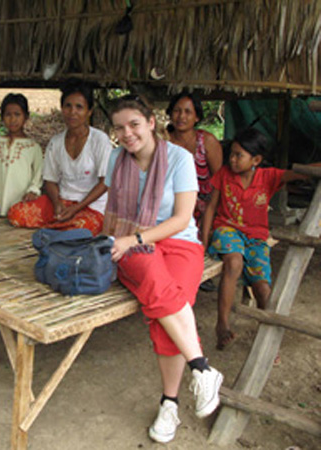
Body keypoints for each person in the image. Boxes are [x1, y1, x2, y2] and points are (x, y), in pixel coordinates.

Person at [104, 95, 223, 443]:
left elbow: (182, 218)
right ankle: (200, 368)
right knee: (162, 289)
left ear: (151, 122)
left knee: (164, 309)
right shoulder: (116, 159)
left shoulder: (179, 159)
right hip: (132, 247)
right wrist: (126, 240)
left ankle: (169, 403)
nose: (127, 134)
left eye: (134, 124)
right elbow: (114, 211)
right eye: (120, 128)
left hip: (179, 243)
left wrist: (135, 237)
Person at [201, 128, 309, 350]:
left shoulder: (268, 177)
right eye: (231, 153)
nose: (232, 159)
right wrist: (203, 241)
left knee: (262, 288)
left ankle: (269, 344)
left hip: (256, 237)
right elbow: (211, 207)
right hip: (226, 229)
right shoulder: (223, 174)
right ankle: (222, 324)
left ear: (256, 160)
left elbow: (300, 173)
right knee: (234, 262)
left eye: (238, 155)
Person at [8, 81, 111, 236]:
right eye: (68, 106)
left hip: (91, 207)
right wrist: (57, 204)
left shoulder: (99, 140)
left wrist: (76, 208)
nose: (72, 112)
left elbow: (105, 183)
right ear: (62, 109)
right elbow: (50, 180)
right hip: (63, 201)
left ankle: (58, 229)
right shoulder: (55, 142)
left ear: (89, 111)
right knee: (16, 214)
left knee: (81, 228)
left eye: (79, 107)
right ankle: (59, 229)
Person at [166, 93, 223, 228]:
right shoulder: (163, 141)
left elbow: (220, 181)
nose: (181, 116)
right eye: (177, 111)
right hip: (171, 207)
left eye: (187, 112)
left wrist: (210, 212)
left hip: (204, 209)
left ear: (197, 117)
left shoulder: (207, 142)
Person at [0, 93, 43, 217]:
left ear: (26, 116)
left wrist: (33, 191)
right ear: (2, 117)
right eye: (8, 115)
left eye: (17, 115)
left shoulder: (33, 147)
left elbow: (38, 175)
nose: (12, 120)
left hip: (21, 205)